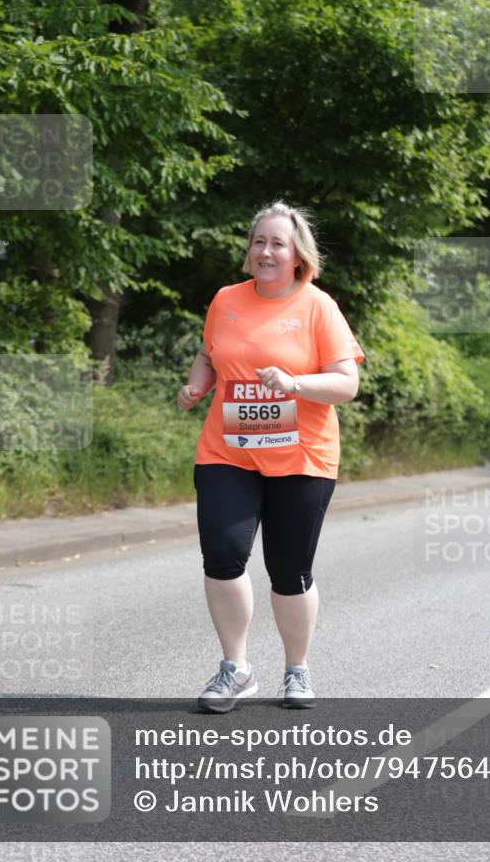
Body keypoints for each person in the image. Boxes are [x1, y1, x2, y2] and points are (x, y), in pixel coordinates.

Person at [177, 201, 365, 712]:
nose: (265, 251)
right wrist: (198, 384)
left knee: (290, 569)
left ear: (298, 254)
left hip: (301, 455)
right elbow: (210, 352)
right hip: (227, 450)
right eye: (259, 241)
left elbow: (347, 383)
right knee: (221, 552)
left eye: (277, 243)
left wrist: (295, 382)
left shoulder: (317, 306)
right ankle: (235, 668)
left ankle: (296, 670)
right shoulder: (225, 300)